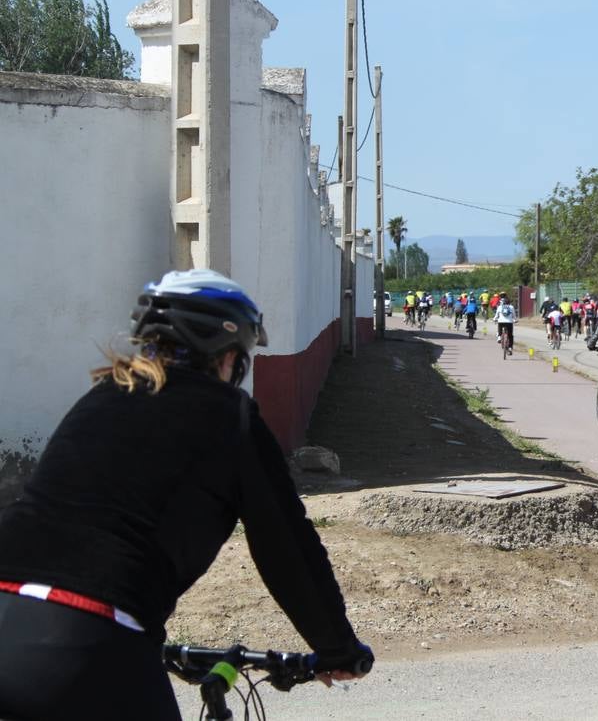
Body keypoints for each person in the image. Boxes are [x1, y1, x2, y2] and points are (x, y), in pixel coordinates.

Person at [0, 270, 371, 719]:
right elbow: (287, 546)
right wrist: (337, 648)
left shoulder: (102, 398)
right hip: (86, 644)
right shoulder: (229, 417)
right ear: (227, 353)